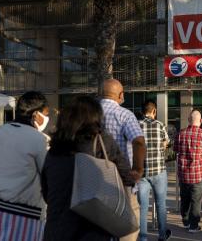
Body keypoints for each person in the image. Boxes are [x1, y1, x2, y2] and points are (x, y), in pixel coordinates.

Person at [41, 95, 135, 241]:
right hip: (93, 229)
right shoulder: (102, 141)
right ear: (96, 116)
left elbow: (46, 192)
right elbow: (127, 176)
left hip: (56, 230)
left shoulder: (54, 149)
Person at [0, 91, 49, 241]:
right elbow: (47, 175)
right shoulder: (38, 140)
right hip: (25, 216)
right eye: (46, 113)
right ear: (36, 114)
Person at [100, 79, 146, 241]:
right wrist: (138, 169)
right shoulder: (125, 115)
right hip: (121, 182)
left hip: (94, 182)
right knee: (128, 229)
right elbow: (139, 142)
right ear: (120, 95)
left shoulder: (90, 114)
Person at [174, 109, 202, 233]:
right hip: (199, 173)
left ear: (188, 120)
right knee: (196, 200)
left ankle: (186, 221)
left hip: (183, 173)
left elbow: (175, 150)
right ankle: (193, 225)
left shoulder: (180, 134)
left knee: (185, 198)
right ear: (201, 120)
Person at [138, 100, 171, 241]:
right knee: (161, 204)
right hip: (159, 171)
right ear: (154, 111)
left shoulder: (137, 125)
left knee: (143, 207)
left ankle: (143, 238)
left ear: (142, 112)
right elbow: (166, 142)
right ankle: (162, 235)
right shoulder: (160, 125)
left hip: (142, 172)